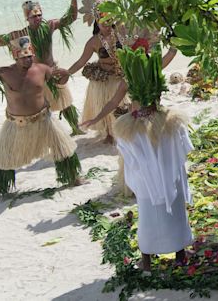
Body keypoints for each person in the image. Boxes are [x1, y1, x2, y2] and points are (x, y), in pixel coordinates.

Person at [84, 43, 193, 271]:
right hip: (144, 130)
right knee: (155, 193)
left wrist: (174, 44)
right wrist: (96, 119)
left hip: (154, 129)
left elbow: (169, 56)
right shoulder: (134, 78)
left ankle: (159, 257)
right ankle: (169, 255)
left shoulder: (150, 72)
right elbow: (113, 102)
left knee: (158, 191)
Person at [0, 39, 82, 203]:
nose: (28, 60)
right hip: (16, 124)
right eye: (24, 57)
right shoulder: (4, 72)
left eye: (30, 56)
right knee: (3, 158)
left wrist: (65, 75)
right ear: (15, 56)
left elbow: (59, 83)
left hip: (44, 120)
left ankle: (74, 177)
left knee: (63, 149)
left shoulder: (42, 69)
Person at [0, 0, 83, 135]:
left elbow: (70, 18)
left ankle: (76, 128)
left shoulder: (49, 25)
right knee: (40, 108)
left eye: (39, 15)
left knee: (65, 103)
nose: (37, 18)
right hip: (36, 75)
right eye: (33, 16)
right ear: (27, 18)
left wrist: (74, 0)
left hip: (52, 71)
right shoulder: (21, 34)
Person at [65, 0, 127, 144]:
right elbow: (81, 62)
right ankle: (109, 133)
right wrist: (67, 73)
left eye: (108, 19)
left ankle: (122, 130)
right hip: (104, 79)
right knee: (105, 105)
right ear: (97, 21)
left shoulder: (121, 33)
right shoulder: (93, 42)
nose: (105, 23)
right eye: (102, 20)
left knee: (122, 105)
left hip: (120, 76)